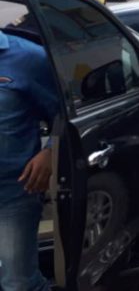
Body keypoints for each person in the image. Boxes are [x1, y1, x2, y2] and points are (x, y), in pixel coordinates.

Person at [0, 28, 60, 291]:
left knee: (18, 282)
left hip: (14, 190)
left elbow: (65, 113)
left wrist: (50, 152)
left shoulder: (29, 58)